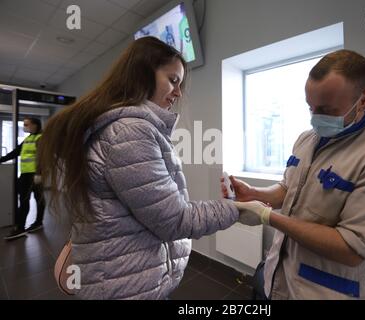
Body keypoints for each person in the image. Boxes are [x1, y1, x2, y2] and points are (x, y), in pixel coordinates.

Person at [37, 37, 239, 300]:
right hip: (128, 287)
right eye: (173, 80)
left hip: (119, 277)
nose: (178, 93)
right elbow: (175, 220)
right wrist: (237, 209)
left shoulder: (117, 126)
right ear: (143, 74)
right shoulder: (129, 132)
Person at [224, 50, 365, 300]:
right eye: (311, 108)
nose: (315, 118)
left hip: (323, 290)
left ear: (364, 99)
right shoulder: (307, 140)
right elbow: (288, 189)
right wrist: (256, 194)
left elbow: (350, 248)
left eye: (326, 110)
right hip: (279, 277)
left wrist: (266, 215)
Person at [2, 117, 46, 240]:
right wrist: (2, 159)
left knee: (33, 199)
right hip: (25, 174)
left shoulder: (40, 138)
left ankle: (21, 228)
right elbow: (16, 152)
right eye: (24, 124)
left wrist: (39, 173)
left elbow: (43, 156)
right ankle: (37, 223)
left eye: (27, 124)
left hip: (34, 174)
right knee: (33, 198)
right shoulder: (28, 139)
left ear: (35, 125)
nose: (25, 126)